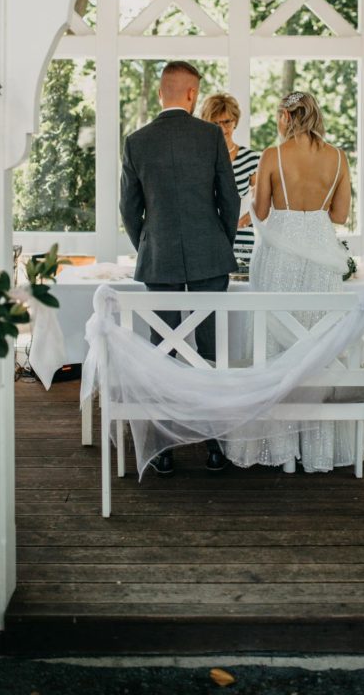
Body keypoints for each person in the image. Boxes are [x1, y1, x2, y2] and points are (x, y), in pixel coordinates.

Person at [119, 60, 240, 476]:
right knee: (208, 351)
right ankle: (213, 446)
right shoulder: (210, 136)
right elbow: (230, 198)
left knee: (163, 351)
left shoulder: (136, 141)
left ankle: (165, 448)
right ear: (192, 94)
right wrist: (221, 241)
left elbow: (129, 209)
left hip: (160, 259)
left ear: (160, 93)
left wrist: (147, 246)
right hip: (211, 256)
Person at [224, 90, 353, 473]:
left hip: (277, 259)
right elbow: (341, 214)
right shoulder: (339, 158)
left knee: (272, 348)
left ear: (285, 117)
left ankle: (276, 449)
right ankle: (316, 451)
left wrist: (254, 187)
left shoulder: (271, 156)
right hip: (321, 262)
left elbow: (260, 210)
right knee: (317, 349)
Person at [200, 93, 261, 270]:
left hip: (243, 244)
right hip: (208, 244)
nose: (222, 128)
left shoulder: (251, 159)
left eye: (226, 121)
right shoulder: (199, 159)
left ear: (235, 121)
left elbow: (265, 202)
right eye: (215, 123)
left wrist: (241, 222)